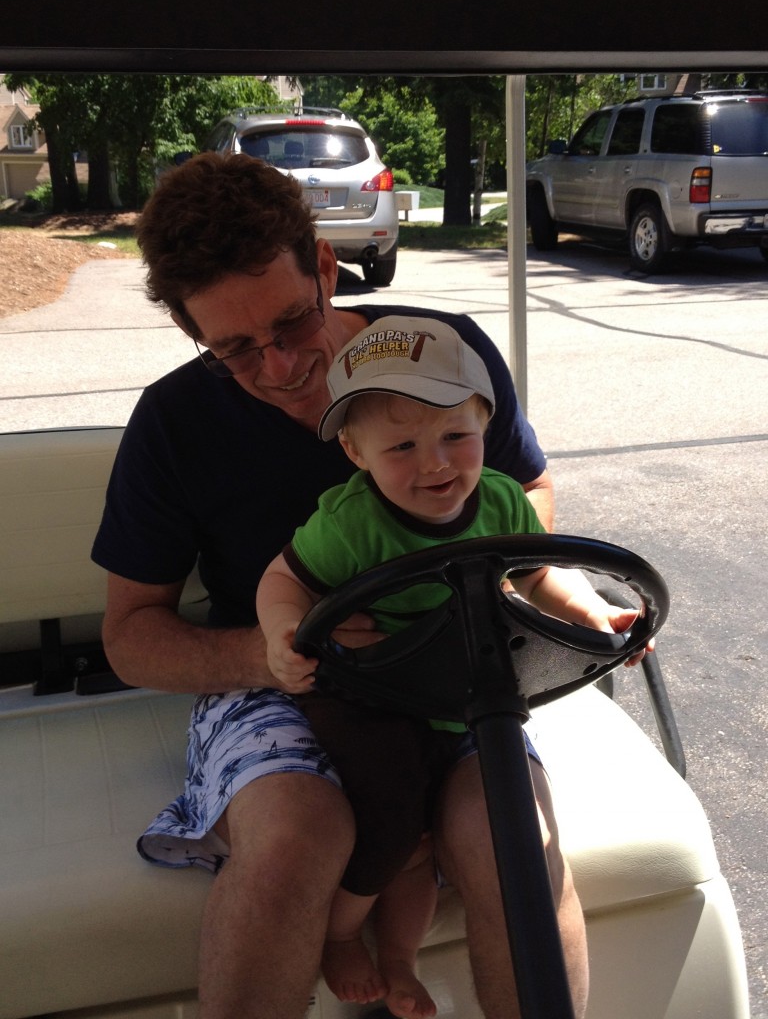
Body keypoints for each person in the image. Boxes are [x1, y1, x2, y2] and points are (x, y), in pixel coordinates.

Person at [91, 150, 572, 1019]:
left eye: (291, 326)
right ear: (194, 336)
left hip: (450, 661)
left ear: (323, 266)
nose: (278, 369)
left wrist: (508, 592)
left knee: (515, 845)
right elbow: (130, 635)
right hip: (273, 677)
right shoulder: (174, 423)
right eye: (235, 351)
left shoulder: (441, 354)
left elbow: (526, 490)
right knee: (291, 845)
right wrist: (275, 652)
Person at [256, 318, 648, 1019]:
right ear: (355, 450)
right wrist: (282, 629)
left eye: (454, 438)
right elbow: (281, 581)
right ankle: (343, 935)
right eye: (402, 446)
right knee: (395, 802)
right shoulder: (347, 524)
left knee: (477, 827)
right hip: (368, 691)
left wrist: (589, 613)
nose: (435, 464)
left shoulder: (499, 500)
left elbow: (538, 576)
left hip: (463, 687)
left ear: (484, 422)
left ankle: (399, 959)